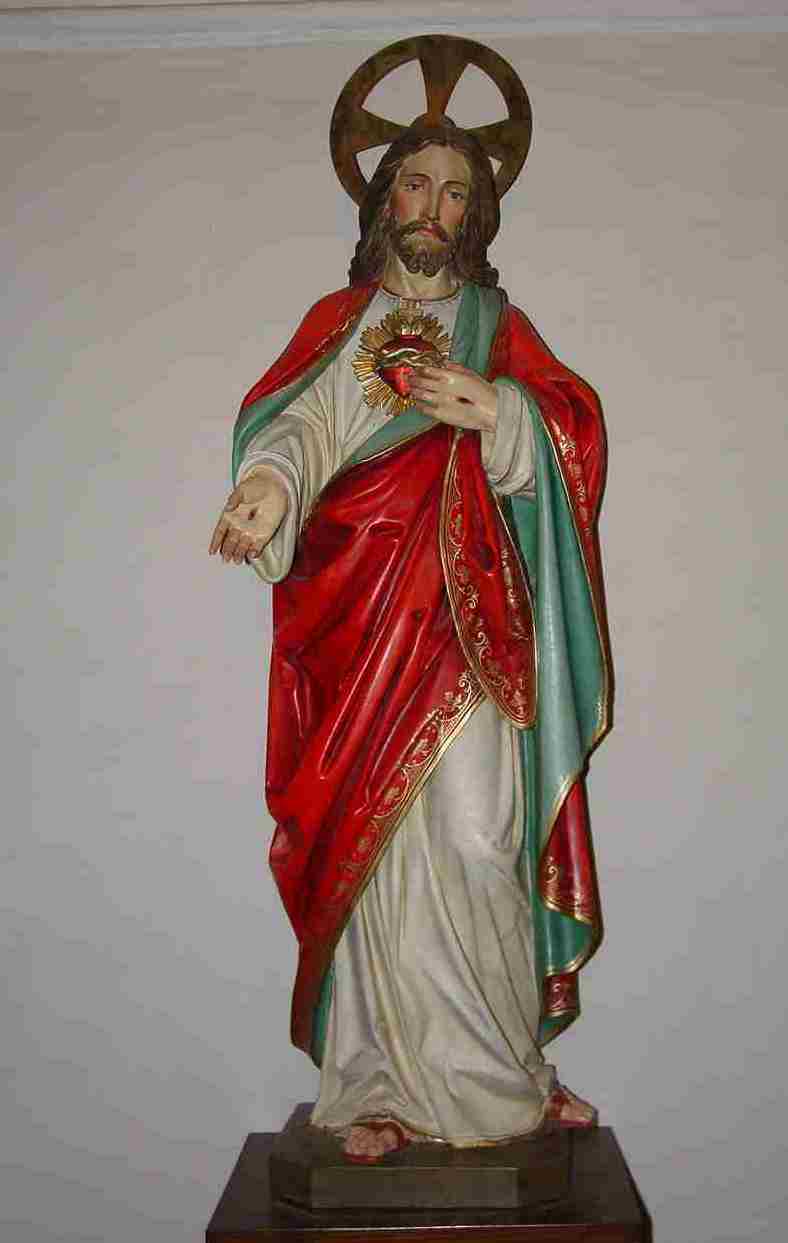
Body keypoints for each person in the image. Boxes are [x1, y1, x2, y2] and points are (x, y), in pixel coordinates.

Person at [210, 114, 612, 1163]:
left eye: (455, 191)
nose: (433, 206)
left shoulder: (494, 322)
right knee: (370, 844)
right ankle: (372, 1085)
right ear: (382, 199)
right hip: (357, 620)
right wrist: (267, 487)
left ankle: (504, 1074)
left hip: (468, 620)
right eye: (416, 184)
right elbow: (298, 426)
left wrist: (498, 409)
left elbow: (570, 429)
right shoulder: (339, 320)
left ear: (476, 216)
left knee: (480, 837)